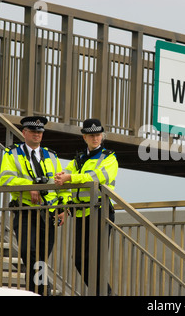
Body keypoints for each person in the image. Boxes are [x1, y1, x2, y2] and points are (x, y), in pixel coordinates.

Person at [0, 116, 70, 295]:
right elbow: (5, 180)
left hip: (49, 213)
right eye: (33, 131)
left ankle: (35, 291)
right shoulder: (12, 153)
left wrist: (64, 208)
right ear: (24, 133)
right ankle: (41, 288)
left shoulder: (52, 155)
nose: (37, 134)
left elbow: (61, 185)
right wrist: (28, 185)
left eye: (40, 132)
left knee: (40, 257)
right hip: (25, 210)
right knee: (27, 250)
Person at [54, 118, 118, 295]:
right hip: (82, 213)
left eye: (98, 135)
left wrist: (71, 178)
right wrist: (62, 180)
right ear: (85, 137)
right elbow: (66, 177)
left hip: (101, 212)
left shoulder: (109, 157)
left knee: (94, 261)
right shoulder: (78, 159)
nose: (95, 138)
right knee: (80, 261)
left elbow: (97, 177)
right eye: (91, 135)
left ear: (102, 136)